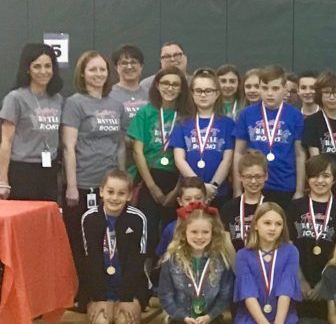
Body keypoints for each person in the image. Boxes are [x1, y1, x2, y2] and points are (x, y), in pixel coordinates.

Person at [61, 51, 128, 262]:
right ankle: (85, 287)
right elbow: (68, 146)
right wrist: (71, 185)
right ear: (82, 74)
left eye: (102, 69)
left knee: (108, 238)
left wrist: (123, 177)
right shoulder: (75, 103)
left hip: (109, 186)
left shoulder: (116, 105)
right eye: (92, 69)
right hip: (83, 184)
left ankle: (107, 283)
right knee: (81, 240)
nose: (98, 74)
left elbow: (120, 146)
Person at [158, 202, 235, 324]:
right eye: (194, 232)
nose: (199, 237)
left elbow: (225, 295)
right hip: (181, 316)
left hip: (209, 317)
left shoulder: (221, 259)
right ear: (184, 232)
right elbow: (165, 295)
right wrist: (184, 318)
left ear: (212, 234)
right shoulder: (171, 259)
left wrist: (209, 317)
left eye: (205, 232)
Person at [128, 65, 192, 254]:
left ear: (181, 89)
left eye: (175, 84)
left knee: (174, 232)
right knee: (148, 233)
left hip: (177, 179)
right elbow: (137, 152)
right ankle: (146, 275)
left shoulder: (186, 116)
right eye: (165, 83)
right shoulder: (145, 113)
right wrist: (152, 187)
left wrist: (176, 190)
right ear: (157, 85)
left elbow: (188, 155)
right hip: (149, 177)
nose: (170, 88)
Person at [78, 170, 149, 324]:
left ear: (129, 196)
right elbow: (91, 260)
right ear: (101, 191)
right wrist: (99, 297)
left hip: (130, 287)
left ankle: (129, 305)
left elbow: (137, 261)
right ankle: (107, 306)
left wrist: (126, 298)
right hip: (102, 287)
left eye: (121, 193)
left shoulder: (137, 219)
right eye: (110, 192)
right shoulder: (89, 218)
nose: (115, 198)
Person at [232, 202, 302, 324]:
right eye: (267, 223)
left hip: (281, 315)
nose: (273, 228)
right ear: (256, 225)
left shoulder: (291, 251)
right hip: (254, 317)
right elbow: (248, 294)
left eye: (278, 224)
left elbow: (286, 290)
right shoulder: (243, 255)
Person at [232, 65, 306, 208]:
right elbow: (239, 152)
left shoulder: (295, 115)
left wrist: (299, 190)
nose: (269, 93)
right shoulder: (246, 114)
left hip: (285, 184)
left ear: (285, 89)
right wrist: (237, 188)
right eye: (265, 88)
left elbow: (299, 154)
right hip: (254, 185)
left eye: (275, 88)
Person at [288, 154, 336, 312]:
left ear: (334, 179)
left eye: (326, 176)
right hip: (298, 276)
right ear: (307, 178)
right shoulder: (295, 207)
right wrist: (300, 279)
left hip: (329, 279)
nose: (320, 181)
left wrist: (325, 282)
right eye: (314, 176)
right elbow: (288, 244)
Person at [0, 43, 63, 202]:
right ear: (28, 69)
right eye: (37, 66)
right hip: (22, 170)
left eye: (48, 66)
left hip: (49, 169)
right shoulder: (15, 98)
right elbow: (6, 142)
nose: (43, 71)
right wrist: (3, 180)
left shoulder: (58, 99)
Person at [170, 68, 234, 206]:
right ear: (192, 93)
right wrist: (200, 188)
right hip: (189, 194)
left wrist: (213, 186)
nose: (203, 95)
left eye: (208, 91)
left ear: (217, 94)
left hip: (217, 191)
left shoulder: (228, 124)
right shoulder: (182, 124)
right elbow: (179, 160)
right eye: (198, 91)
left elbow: (227, 160)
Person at [303, 72, 336, 210]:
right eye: (327, 93)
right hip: (323, 189)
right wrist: (326, 192)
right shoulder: (312, 122)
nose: (332, 97)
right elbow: (315, 161)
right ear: (320, 95)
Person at [221, 150, 267, 252]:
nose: (253, 181)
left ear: (266, 176)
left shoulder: (272, 206)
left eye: (258, 176)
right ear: (240, 177)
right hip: (235, 262)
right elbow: (226, 242)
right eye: (248, 177)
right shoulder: (229, 207)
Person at [154, 176, 209, 261]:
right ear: (180, 201)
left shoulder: (214, 227)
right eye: (188, 199)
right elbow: (161, 258)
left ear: (205, 199)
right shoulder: (171, 229)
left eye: (198, 198)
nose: (193, 202)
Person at [109, 44, 150, 123]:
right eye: (124, 63)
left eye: (133, 62)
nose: (129, 67)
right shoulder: (108, 95)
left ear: (141, 66)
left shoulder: (151, 95)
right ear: (116, 67)